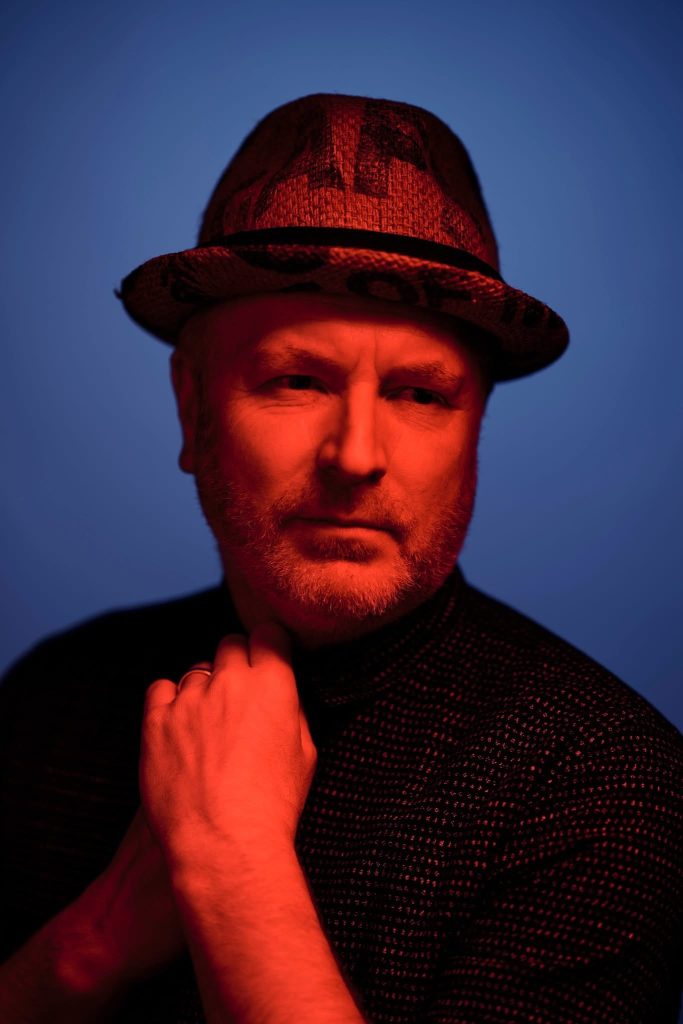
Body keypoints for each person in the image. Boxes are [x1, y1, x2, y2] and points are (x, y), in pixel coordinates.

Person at [0, 92, 681, 1024]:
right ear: (192, 411)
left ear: (475, 429)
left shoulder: (602, 784)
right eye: (296, 380)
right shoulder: (52, 695)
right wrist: (90, 949)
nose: (356, 455)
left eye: (420, 395)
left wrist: (231, 863)